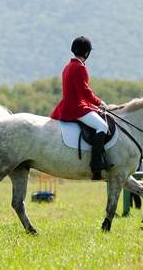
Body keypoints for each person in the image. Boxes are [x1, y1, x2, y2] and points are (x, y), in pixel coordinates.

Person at [50, 36, 113, 181]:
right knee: (103, 126)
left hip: (67, 104)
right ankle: (95, 162)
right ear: (86, 53)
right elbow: (84, 91)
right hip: (76, 107)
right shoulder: (79, 68)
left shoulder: (68, 66)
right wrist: (99, 103)